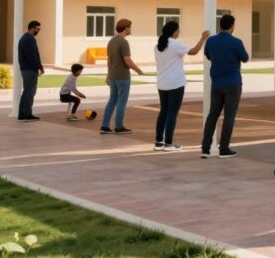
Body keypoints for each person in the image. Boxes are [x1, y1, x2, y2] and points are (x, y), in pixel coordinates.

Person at [154, 21, 208, 152]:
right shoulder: (175, 44)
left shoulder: (157, 46)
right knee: (172, 113)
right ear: (174, 32)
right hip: (175, 84)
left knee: (163, 112)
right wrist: (203, 38)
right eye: (178, 30)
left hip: (162, 83)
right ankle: (169, 144)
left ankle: (159, 142)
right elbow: (194, 52)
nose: (179, 33)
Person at [201, 14, 249, 159]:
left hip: (216, 84)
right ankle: (224, 148)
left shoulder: (211, 41)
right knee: (229, 116)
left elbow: (208, 55)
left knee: (212, 116)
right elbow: (245, 58)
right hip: (233, 83)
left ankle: (205, 148)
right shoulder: (236, 42)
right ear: (232, 25)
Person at [101, 19, 143, 134]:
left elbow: (109, 60)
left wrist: (108, 75)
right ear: (126, 28)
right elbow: (127, 60)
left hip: (113, 76)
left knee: (112, 100)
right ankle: (119, 126)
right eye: (130, 27)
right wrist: (138, 70)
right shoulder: (123, 42)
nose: (131, 29)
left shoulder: (111, 41)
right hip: (123, 76)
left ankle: (104, 126)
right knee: (121, 102)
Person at [17, 20, 44, 122]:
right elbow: (33, 56)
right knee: (30, 91)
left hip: (25, 69)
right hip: (30, 69)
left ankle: (22, 113)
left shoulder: (24, 38)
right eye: (37, 29)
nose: (38, 31)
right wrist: (39, 67)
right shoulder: (30, 39)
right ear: (32, 28)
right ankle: (27, 113)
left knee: (27, 91)